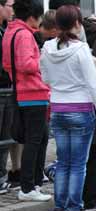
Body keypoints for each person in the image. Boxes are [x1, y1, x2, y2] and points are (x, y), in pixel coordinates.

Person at [40, 5, 96, 211]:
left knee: (64, 160)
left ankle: (60, 207)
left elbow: (45, 79)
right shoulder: (81, 50)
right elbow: (92, 84)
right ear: (77, 24)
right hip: (80, 107)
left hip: (58, 108)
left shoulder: (48, 48)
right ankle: (75, 209)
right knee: (78, 164)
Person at [2, 0, 51, 202]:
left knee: (39, 139)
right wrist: (43, 59)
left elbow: (9, 64)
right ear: (32, 16)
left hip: (24, 91)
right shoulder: (23, 34)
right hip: (32, 92)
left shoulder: (11, 32)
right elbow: (25, 64)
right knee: (34, 141)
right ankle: (28, 186)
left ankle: (34, 183)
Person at [0, 0, 14, 194]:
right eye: (10, 5)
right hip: (2, 87)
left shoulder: (5, 30)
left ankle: (1, 176)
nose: (13, 9)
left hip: (7, 88)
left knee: (5, 136)